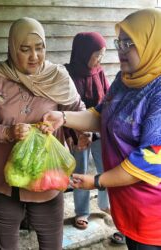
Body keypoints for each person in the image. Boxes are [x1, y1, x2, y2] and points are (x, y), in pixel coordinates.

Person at [42, 8, 161, 250]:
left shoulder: (158, 93)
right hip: (127, 205)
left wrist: (96, 181)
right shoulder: (124, 80)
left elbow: (148, 159)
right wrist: (62, 117)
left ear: (152, 43)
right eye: (120, 41)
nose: (121, 49)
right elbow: (100, 115)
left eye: (131, 42)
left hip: (152, 214)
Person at [0, 17, 85, 250]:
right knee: (8, 244)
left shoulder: (58, 77)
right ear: (12, 48)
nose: (34, 56)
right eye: (25, 49)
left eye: (39, 48)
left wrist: (79, 132)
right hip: (5, 178)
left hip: (47, 176)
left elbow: (78, 112)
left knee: (51, 243)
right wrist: (8, 132)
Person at [64, 32, 110, 230]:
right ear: (83, 53)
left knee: (106, 168)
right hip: (77, 132)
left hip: (99, 131)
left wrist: (98, 131)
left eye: (102, 55)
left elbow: (108, 100)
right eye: (96, 54)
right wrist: (77, 134)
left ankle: (105, 204)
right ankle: (82, 212)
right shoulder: (67, 74)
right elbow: (64, 106)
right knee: (79, 172)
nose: (99, 59)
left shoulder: (99, 72)